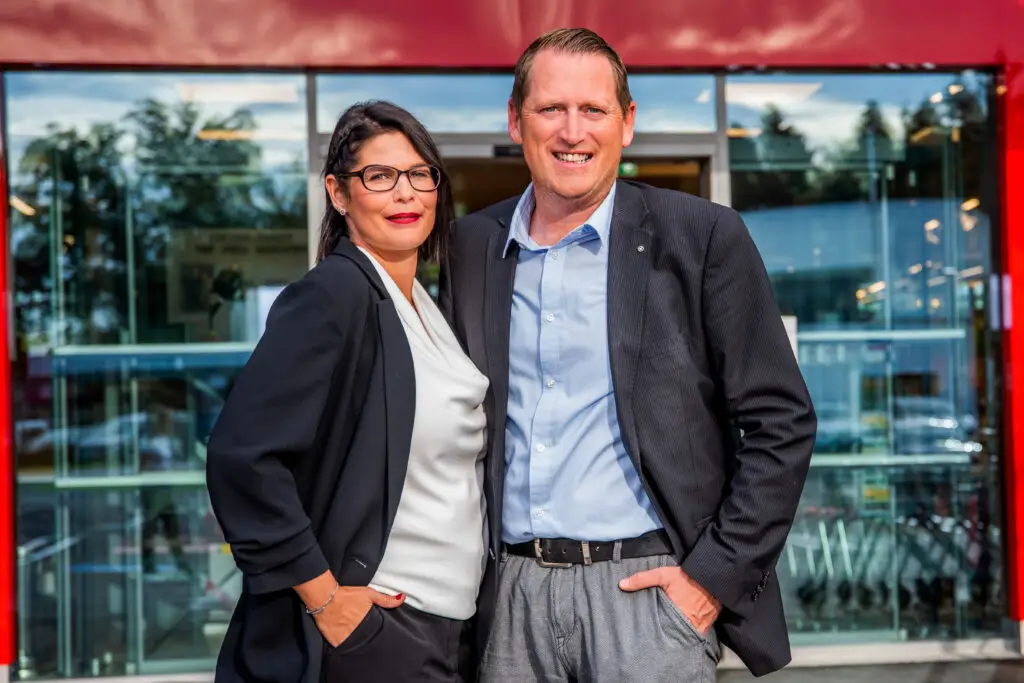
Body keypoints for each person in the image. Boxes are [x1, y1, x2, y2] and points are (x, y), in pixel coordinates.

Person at [439, 28, 817, 682]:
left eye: (593, 110)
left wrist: (709, 581)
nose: (572, 130)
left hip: (648, 596)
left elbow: (781, 422)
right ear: (515, 119)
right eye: (551, 109)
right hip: (511, 595)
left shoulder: (701, 238)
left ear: (628, 122)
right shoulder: (472, 246)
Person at [206, 100, 489, 683]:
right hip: (381, 633)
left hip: (450, 627)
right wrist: (325, 600)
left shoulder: (426, 305)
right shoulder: (335, 294)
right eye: (379, 177)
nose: (405, 194)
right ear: (339, 194)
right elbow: (242, 457)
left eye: (419, 174)